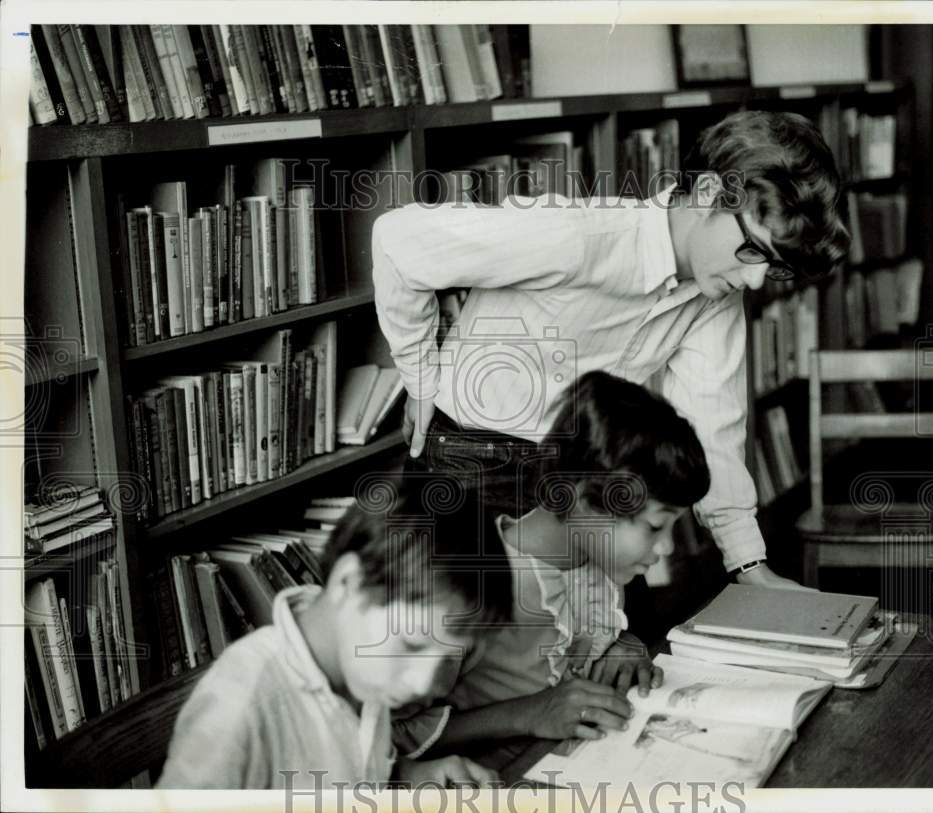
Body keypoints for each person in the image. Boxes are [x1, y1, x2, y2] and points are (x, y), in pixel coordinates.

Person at [372, 110, 850, 590]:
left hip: (589, 482)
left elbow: (714, 431)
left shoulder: (715, 294)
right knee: (498, 641)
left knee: (618, 650)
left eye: (775, 266)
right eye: (753, 249)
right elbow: (398, 242)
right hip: (474, 463)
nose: (755, 279)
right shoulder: (577, 235)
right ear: (707, 194)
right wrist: (419, 380)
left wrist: (748, 565)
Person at [392, 372, 711, 763]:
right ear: (585, 502)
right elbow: (389, 733)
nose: (666, 547)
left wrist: (619, 647)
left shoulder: (595, 560)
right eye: (655, 526)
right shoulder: (467, 587)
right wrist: (528, 713)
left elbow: (574, 654)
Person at [156, 479, 512, 789]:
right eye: (413, 643)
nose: (424, 684)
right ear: (349, 582)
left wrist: (411, 776)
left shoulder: (358, 663)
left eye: (450, 656)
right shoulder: (241, 702)